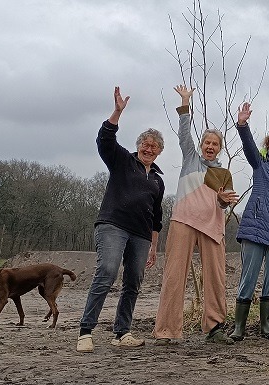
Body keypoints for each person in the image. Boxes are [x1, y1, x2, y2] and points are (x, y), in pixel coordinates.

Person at [77, 87, 165, 353]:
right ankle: (86, 331)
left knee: (133, 281)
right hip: (113, 226)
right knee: (107, 272)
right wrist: (116, 112)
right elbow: (104, 140)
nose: (149, 148)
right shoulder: (122, 161)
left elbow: (157, 217)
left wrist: (153, 245)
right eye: (145, 144)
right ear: (138, 146)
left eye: (154, 146)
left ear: (160, 151)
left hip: (141, 234)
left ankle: (122, 331)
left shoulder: (158, 180)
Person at [153, 85, 239, 345]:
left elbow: (224, 202)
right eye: (207, 142)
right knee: (174, 275)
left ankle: (215, 328)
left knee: (216, 277)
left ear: (219, 149)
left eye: (215, 144)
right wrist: (184, 105)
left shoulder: (223, 173)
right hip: (183, 221)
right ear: (201, 145)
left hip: (212, 227)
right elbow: (183, 135)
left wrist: (223, 201)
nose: (210, 146)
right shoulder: (190, 157)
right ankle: (167, 330)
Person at [230, 102, 269, 341]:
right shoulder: (260, 163)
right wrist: (243, 125)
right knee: (249, 276)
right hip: (255, 227)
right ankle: (238, 327)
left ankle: (266, 324)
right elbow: (249, 147)